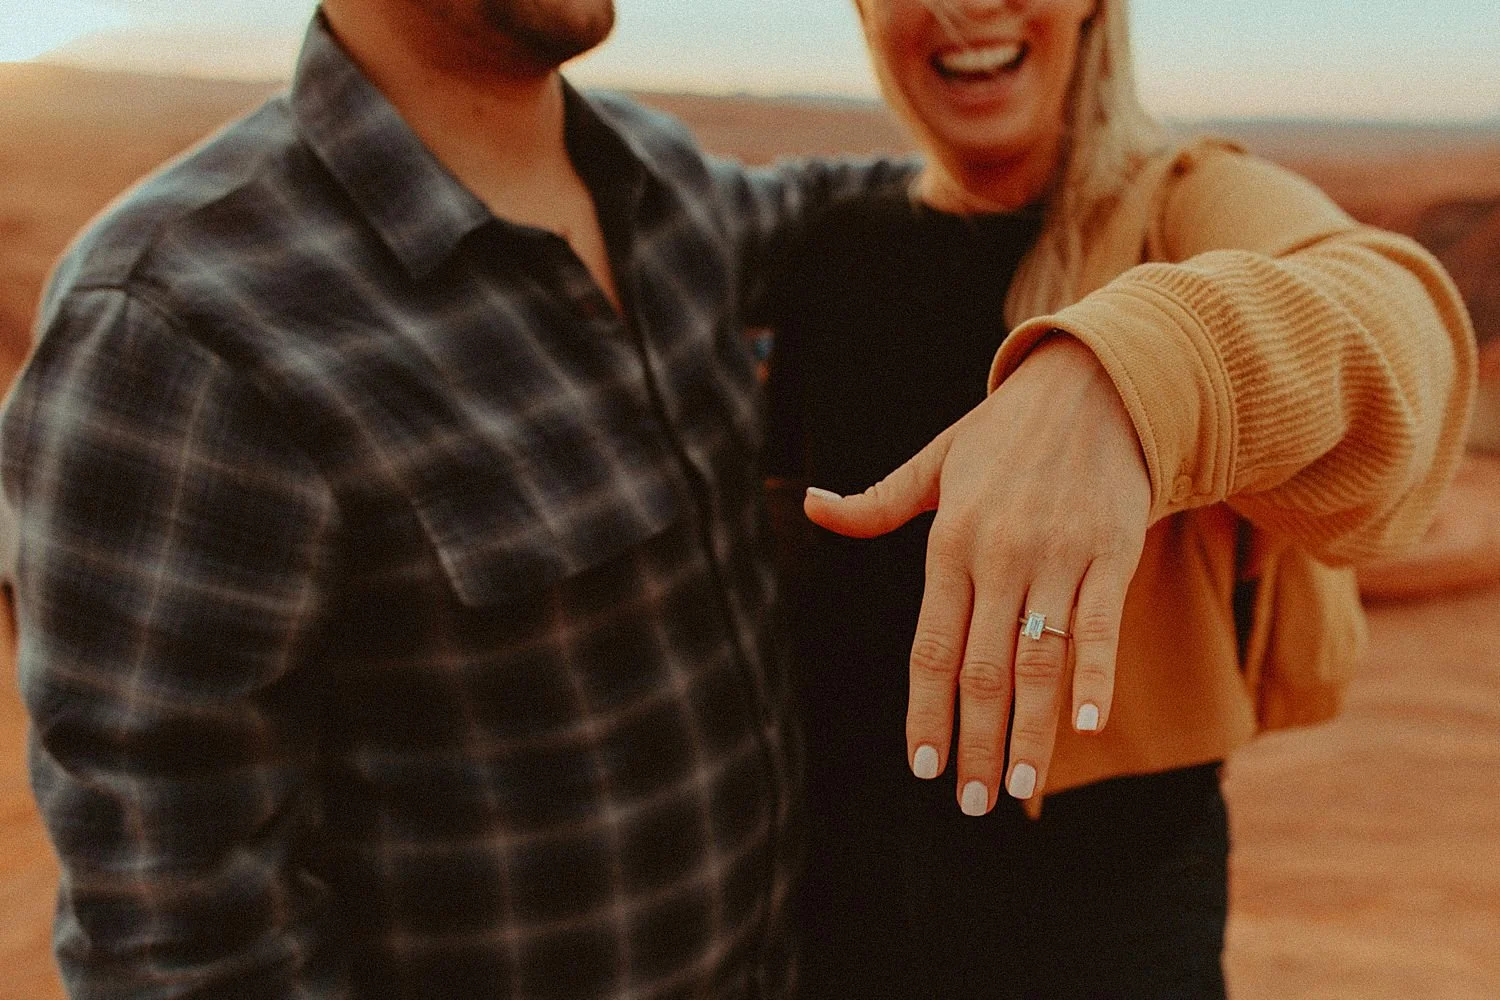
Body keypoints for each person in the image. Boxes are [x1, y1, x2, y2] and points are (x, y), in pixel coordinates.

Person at [0, 2, 1041, 997]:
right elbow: (181, 949)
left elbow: (913, 200)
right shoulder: (179, 326)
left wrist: (1101, 349)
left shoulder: (655, 178)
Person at [763, 0, 1477, 996]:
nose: (967, 8)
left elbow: (1400, 324)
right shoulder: (835, 247)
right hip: (839, 894)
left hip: (1110, 909)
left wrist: (1145, 368)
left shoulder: (1183, 203)